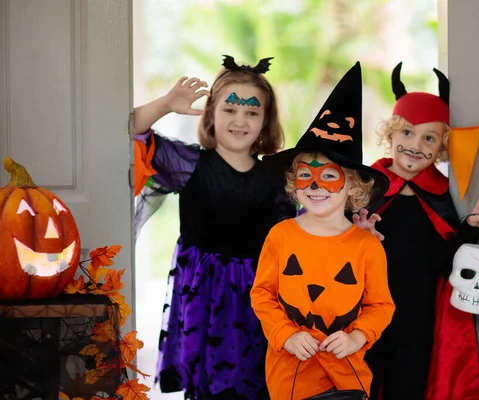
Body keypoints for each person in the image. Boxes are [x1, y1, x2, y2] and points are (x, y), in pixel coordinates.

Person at [133, 55, 296, 400]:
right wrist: (165, 104)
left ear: (266, 121)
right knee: (210, 386)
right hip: (204, 300)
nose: (241, 120)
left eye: (252, 112)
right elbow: (132, 128)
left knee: (259, 382)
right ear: (210, 114)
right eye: (230, 109)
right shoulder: (187, 163)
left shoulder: (279, 177)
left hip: (261, 298)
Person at [250, 63, 395, 400]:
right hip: (291, 376)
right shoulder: (281, 236)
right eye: (306, 175)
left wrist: (357, 337)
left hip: (348, 376)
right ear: (293, 183)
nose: (316, 186)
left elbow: (381, 305)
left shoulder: (366, 246)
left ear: (353, 187)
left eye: (329, 176)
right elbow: (263, 295)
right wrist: (286, 334)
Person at [364, 62, 479, 400]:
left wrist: (471, 227)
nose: (416, 145)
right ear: (390, 135)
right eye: (407, 133)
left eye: (429, 137)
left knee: (408, 384)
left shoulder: (442, 193)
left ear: (442, 145)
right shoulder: (365, 185)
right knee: (360, 382)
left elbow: (446, 260)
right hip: (364, 312)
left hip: (417, 317)